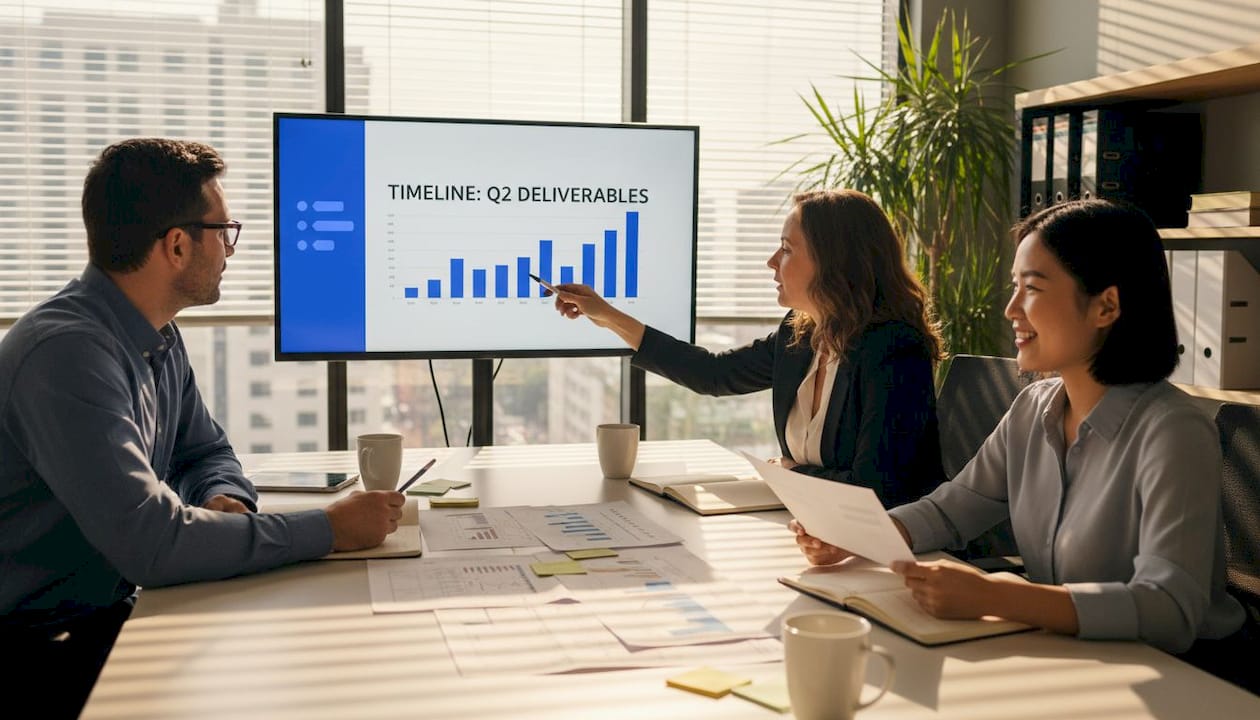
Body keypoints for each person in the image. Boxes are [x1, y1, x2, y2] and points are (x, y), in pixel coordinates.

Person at [0, 138, 405, 715]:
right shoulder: (66, 353)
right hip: (39, 647)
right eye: (224, 232)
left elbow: (205, 449)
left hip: (110, 612)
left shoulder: (155, 332)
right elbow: (151, 544)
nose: (230, 251)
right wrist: (329, 529)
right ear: (177, 245)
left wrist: (223, 497)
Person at [793, 199, 1247, 658]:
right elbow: (953, 510)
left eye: (1032, 288)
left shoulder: (1173, 431)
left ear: (1106, 306)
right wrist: (857, 535)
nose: (1011, 309)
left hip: (1177, 676)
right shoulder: (1033, 407)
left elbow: (1170, 608)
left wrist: (997, 596)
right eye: (1014, 287)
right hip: (1069, 654)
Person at [552, 189, 945, 508]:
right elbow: (714, 375)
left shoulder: (894, 348)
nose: (771, 262)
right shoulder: (801, 335)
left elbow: (877, 488)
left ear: (835, 263)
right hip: (814, 531)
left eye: (787, 249)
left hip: (883, 550)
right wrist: (605, 314)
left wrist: (788, 474)